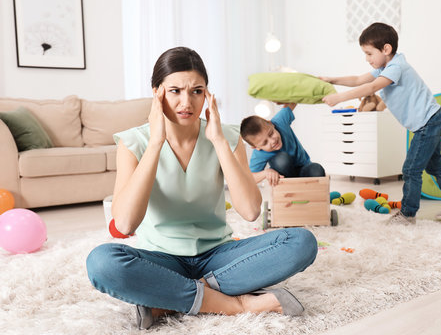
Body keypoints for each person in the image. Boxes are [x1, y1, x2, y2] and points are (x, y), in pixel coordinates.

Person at [86, 47, 318, 330]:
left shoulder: (227, 137)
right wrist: (156, 142)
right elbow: (124, 223)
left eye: (197, 91)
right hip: (161, 259)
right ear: (157, 92)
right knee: (102, 263)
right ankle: (235, 304)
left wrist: (219, 141)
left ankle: (170, 297)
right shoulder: (133, 142)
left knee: (301, 242)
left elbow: (250, 211)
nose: (187, 102)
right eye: (175, 91)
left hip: (218, 256)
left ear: (207, 94)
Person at [320, 22, 441, 225]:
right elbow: (358, 80)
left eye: (369, 53)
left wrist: (339, 99)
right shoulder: (386, 66)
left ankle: (408, 214)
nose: (367, 59)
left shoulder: (396, 68)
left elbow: (371, 87)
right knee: (434, 165)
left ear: (386, 49)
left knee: (410, 170)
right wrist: (332, 80)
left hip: (428, 122)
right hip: (430, 120)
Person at [240, 103, 326, 186]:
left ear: (270, 123)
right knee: (281, 159)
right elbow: (250, 178)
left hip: (304, 168)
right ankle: (291, 189)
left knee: (317, 169)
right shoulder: (259, 153)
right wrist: (266, 173)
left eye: (271, 133)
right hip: (285, 176)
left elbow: (292, 102)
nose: (272, 141)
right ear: (256, 147)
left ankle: (310, 193)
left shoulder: (279, 121)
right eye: (265, 143)